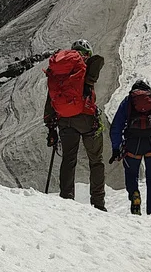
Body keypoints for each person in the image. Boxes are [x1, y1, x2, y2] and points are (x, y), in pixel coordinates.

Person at [43, 39, 107, 210]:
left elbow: (51, 99)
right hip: (86, 119)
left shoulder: (61, 70)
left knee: (69, 159)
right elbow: (99, 60)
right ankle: (98, 202)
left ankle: (67, 197)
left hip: (65, 120)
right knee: (96, 160)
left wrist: (51, 128)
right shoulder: (84, 65)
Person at [109, 80, 151, 215]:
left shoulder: (128, 101)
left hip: (133, 145)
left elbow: (116, 126)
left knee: (131, 174)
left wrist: (116, 148)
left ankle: (134, 194)